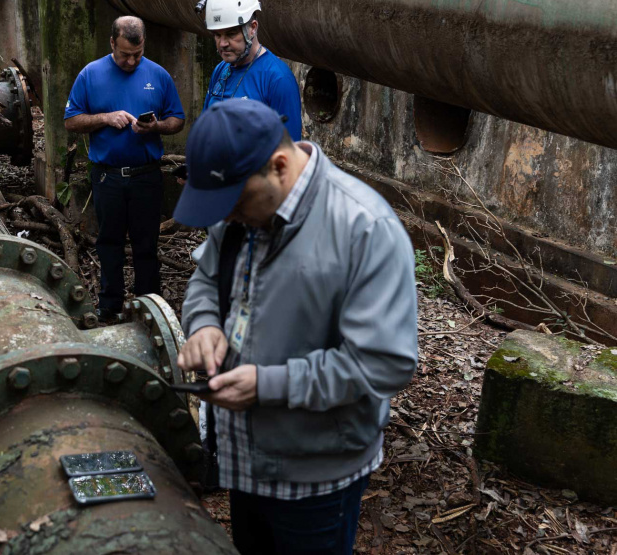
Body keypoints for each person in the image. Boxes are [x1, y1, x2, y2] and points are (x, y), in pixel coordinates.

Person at [174, 99, 418, 554]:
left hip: (314, 479)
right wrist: (204, 324)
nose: (226, 217)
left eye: (233, 202)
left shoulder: (364, 228)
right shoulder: (243, 212)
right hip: (244, 458)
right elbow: (205, 279)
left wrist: (269, 385)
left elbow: (384, 363)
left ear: (279, 166)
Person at [65, 16, 185, 322]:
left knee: (147, 244)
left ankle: (150, 306)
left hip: (146, 175)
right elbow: (71, 120)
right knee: (109, 243)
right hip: (107, 177)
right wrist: (105, 118)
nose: (131, 61)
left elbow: (177, 119)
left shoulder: (158, 74)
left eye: (137, 54)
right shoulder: (91, 75)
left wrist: (155, 126)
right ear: (111, 44)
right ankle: (110, 306)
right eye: (124, 55)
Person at [202, 0, 302, 140]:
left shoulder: (278, 79)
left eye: (231, 34)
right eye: (217, 35)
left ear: (252, 28)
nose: (222, 43)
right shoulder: (220, 70)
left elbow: (291, 150)